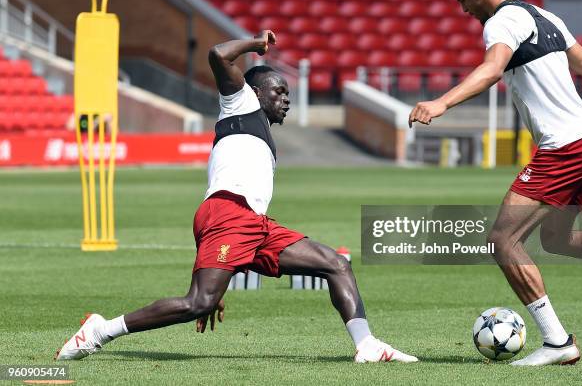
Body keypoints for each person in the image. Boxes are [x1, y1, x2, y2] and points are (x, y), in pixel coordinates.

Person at [55, 30, 417, 364]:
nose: (285, 100)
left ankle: (366, 344)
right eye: (279, 92)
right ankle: (100, 330)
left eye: (287, 94)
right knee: (198, 302)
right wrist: (255, 44)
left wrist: (221, 273)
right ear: (254, 92)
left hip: (250, 223)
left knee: (334, 264)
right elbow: (217, 55)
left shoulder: (259, 132)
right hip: (230, 214)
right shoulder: (240, 102)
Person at [409, 0, 582, 366]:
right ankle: (557, 342)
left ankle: (558, 343)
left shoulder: (501, 21)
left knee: (502, 240)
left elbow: (490, 70)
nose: (463, 9)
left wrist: (442, 103)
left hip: (565, 146)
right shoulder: (544, 15)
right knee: (557, 239)